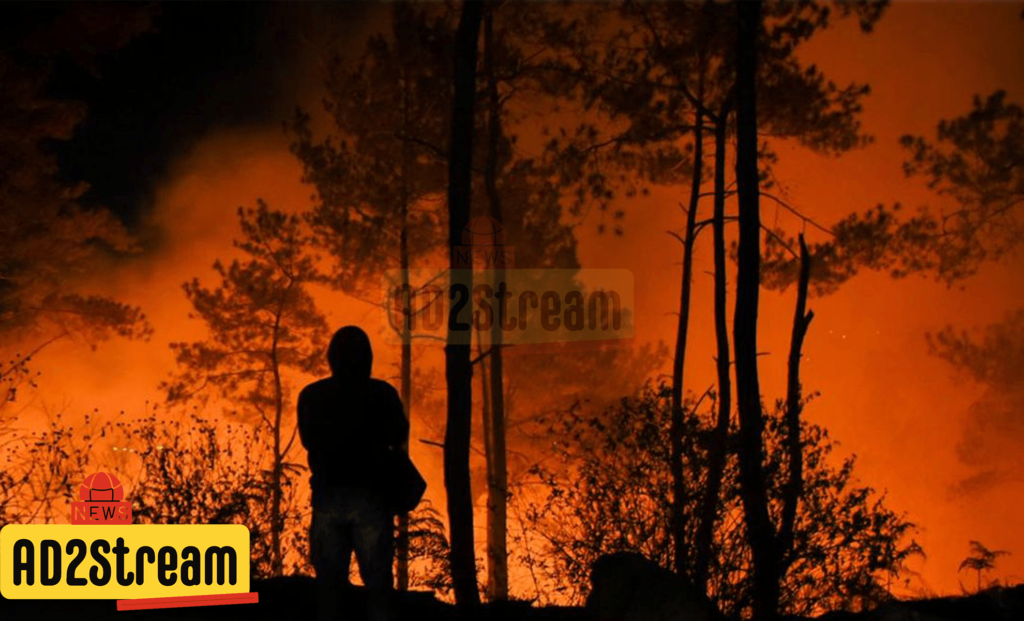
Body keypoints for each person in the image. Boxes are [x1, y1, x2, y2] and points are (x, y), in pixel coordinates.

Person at [298, 326, 409, 621]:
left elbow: (308, 440)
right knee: (378, 587)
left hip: (327, 497)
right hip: (372, 498)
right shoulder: (382, 394)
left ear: (332, 357)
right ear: (367, 358)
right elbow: (399, 435)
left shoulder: (312, 395)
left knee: (329, 591)